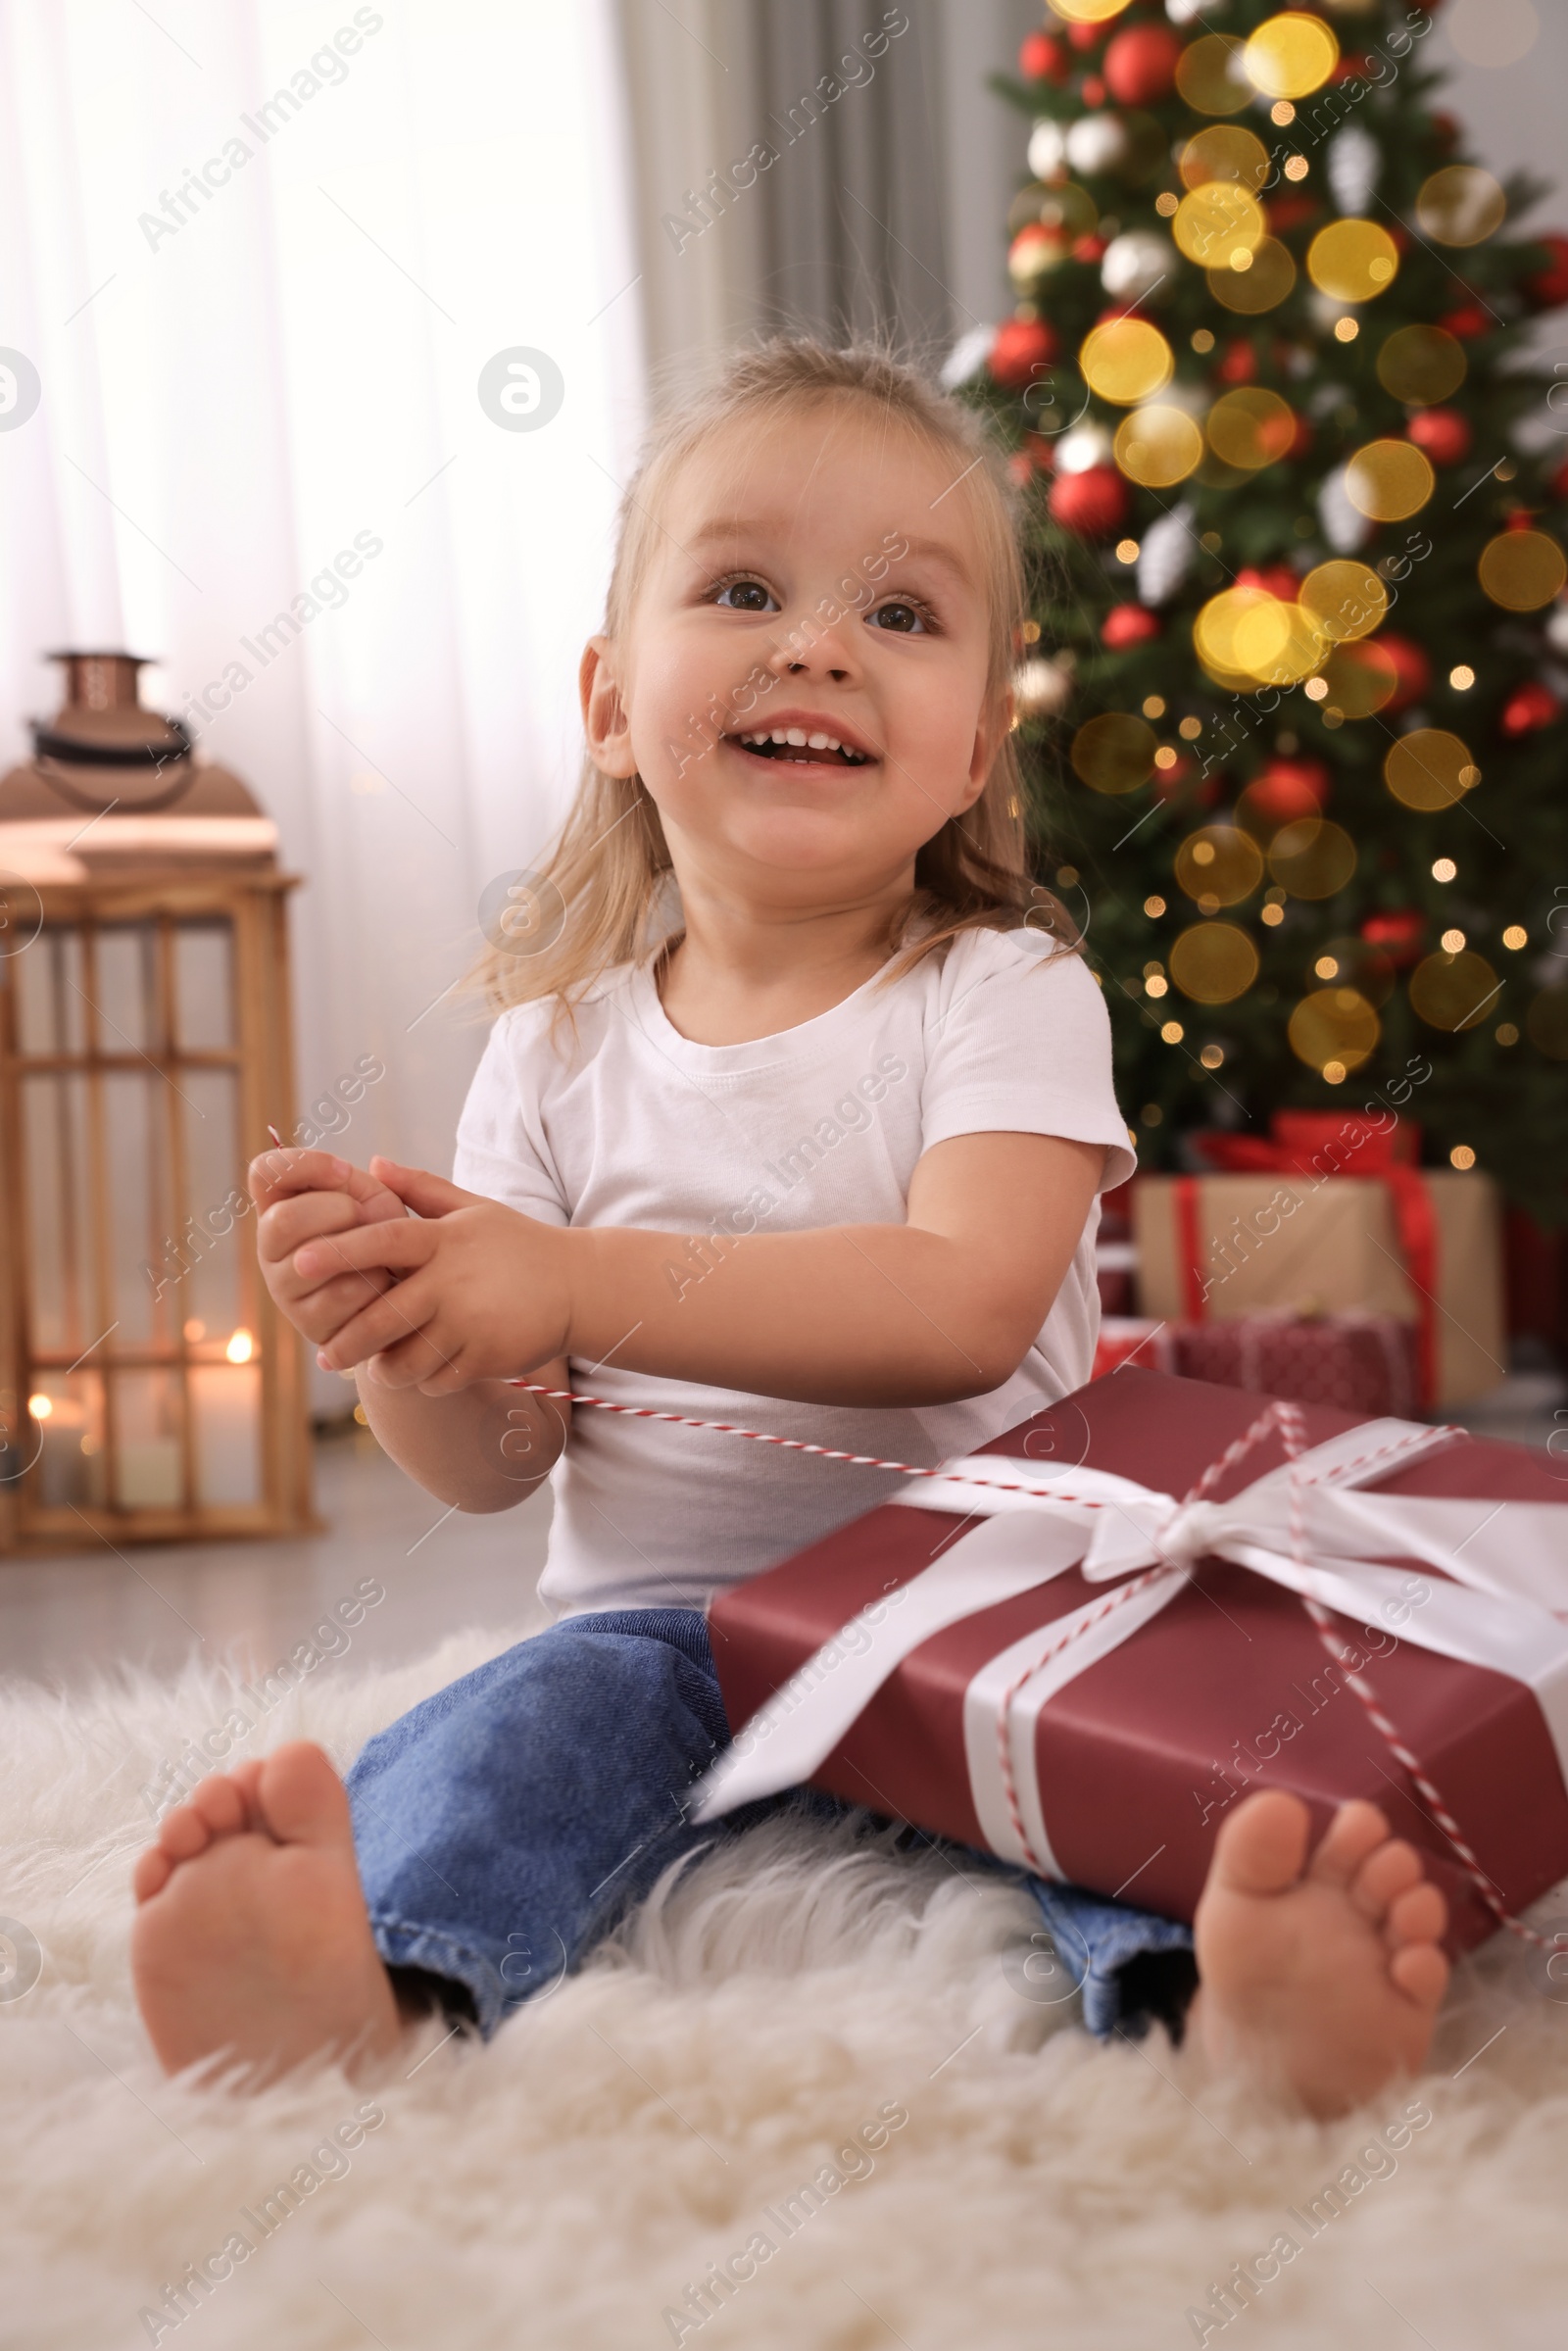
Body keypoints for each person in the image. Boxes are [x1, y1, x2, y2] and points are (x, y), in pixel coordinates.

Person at [130, 338, 1448, 2118]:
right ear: (609, 701)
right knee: (507, 1733)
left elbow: (960, 1306)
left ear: (977, 742)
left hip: (991, 1614)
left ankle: (1221, 2002)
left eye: (901, 615)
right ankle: (377, 1979)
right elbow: (497, 1464)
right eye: (743, 587)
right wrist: (410, 1328)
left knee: (1153, 1766)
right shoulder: (554, 1048)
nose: (818, 643)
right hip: (671, 1633)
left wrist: (568, 1277)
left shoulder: (1005, 991)